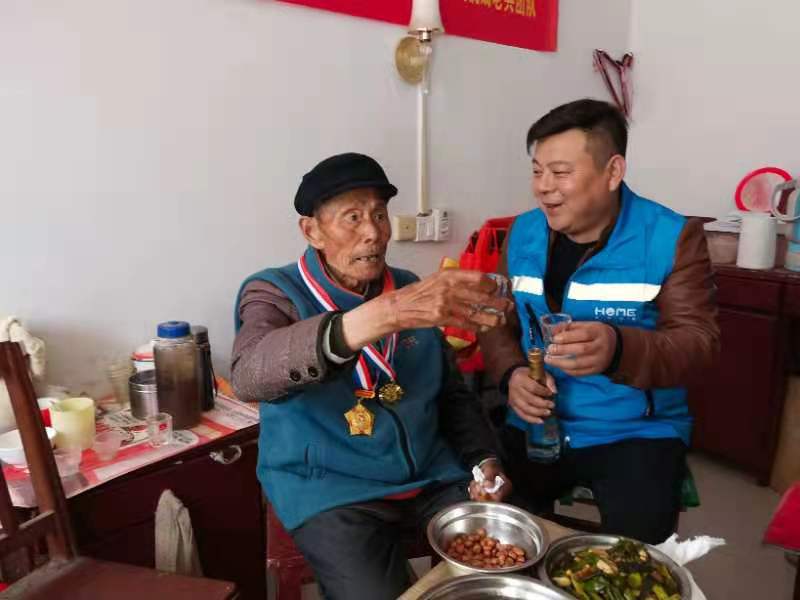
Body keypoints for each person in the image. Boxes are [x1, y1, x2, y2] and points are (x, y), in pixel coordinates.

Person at [231, 152, 513, 600]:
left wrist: (484, 460)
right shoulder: (273, 292)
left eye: (379, 215)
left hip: (431, 474)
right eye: (353, 217)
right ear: (312, 231)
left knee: (503, 572)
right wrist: (384, 315)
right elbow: (250, 374)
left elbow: (451, 395)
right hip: (331, 489)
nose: (374, 232)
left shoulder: (409, 286)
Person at [479, 99, 720, 544]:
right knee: (490, 533)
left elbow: (699, 344)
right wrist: (511, 375)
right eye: (537, 171)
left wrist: (618, 348)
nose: (543, 188)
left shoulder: (670, 237)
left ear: (612, 172)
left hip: (633, 432)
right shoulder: (523, 232)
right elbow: (495, 321)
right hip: (535, 422)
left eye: (560, 172)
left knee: (633, 559)